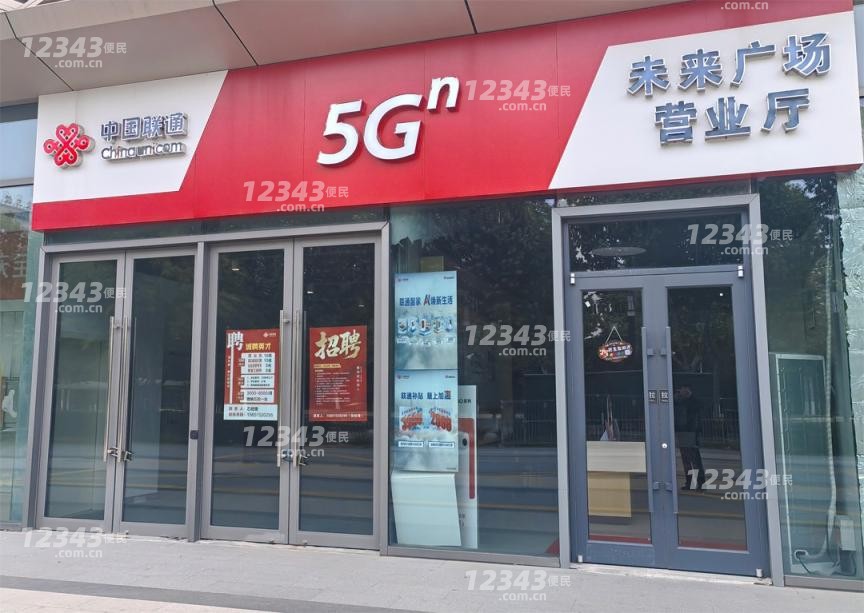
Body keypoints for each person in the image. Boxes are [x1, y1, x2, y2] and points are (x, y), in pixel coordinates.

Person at [674, 386, 705, 489]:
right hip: (683, 432)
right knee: (686, 460)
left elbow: (696, 413)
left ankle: (700, 482)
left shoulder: (693, 403)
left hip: (691, 432)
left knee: (694, 460)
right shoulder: (680, 402)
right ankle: (689, 482)